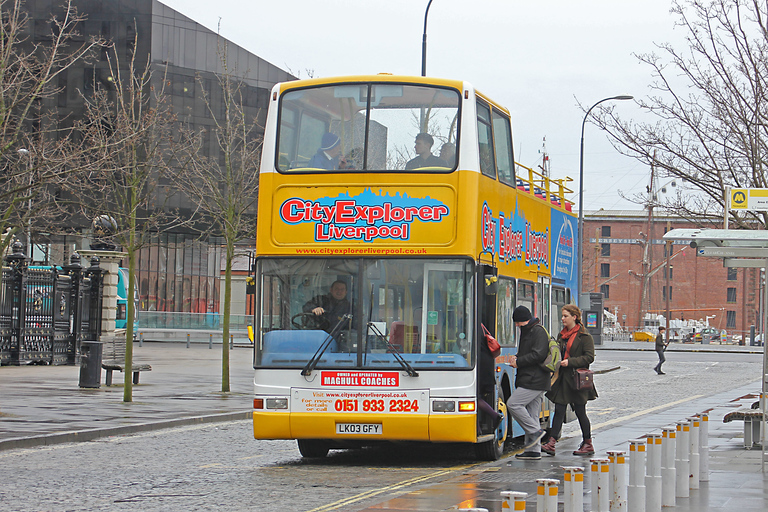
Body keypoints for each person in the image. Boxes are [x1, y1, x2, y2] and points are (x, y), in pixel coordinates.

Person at [541, 304, 598, 457]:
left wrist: (570, 362)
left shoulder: (585, 337)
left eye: (565, 316)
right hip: (563, 379)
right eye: (562, 316)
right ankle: (551, 442)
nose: (562, 319)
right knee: (559, 410)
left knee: (580, 412)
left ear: (574, 317)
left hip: (577, 380)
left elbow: (589, 357)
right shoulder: (562, 335)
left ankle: (588, 443)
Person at [506, 305, 550, 460]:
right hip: (532, 378)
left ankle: (535, 432)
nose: (517, 326)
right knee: (532, 414)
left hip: (535, 379)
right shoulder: (528, 330)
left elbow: (538, 355)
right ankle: (533, 450)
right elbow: (529, 352)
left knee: (513, 404)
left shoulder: (537, 331)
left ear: (524, 320)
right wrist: (516, 357)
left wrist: (519, 362)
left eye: (518, 323)